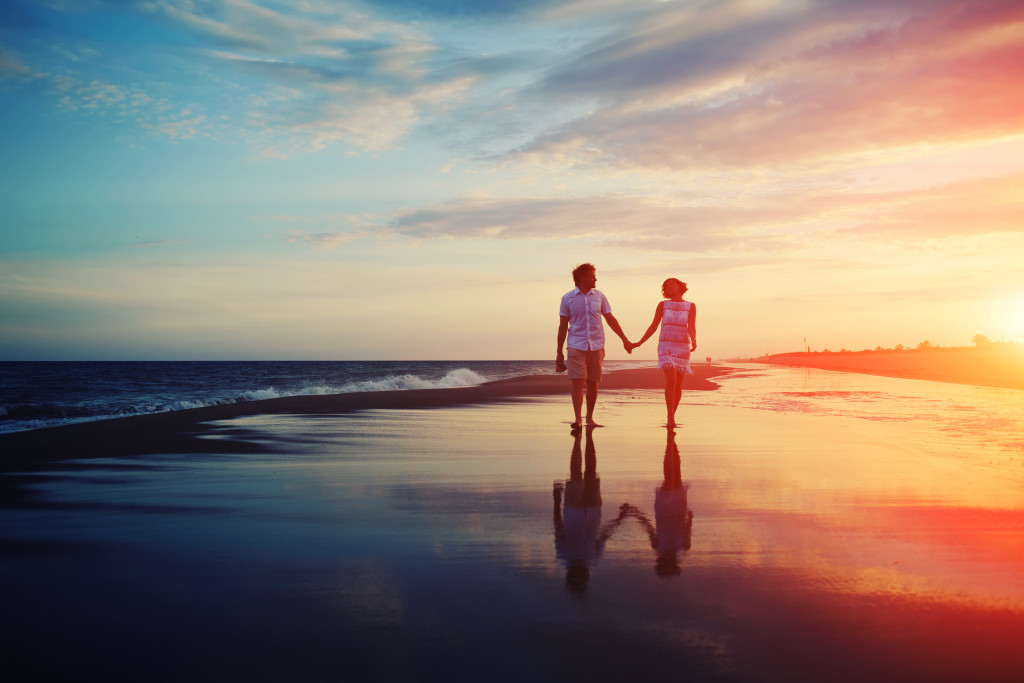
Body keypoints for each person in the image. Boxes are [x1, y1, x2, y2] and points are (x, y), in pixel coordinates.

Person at [555, 263, 632, 430]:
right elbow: (562, 326)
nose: (595, 278)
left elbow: (611, 319)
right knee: (577, 382)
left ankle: (589, 417)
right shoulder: (567, 298)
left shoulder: (600, 296)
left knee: (593, 382)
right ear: (582, 278)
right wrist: (559, 353)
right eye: (592, 276)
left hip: (596, 345)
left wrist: (624, 340)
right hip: (576, 344)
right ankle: (578, 419)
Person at [627, 278, 697, 429]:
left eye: (672, 284)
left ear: (680, 286)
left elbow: (691, 326)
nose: (669, 286)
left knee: (678, 383)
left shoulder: (690, 306)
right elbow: (653, 326)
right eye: (666, 285)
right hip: (665, 345)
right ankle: (670, 417)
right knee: (671, 379)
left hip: (682, 346)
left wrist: (695, 339)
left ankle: (671, 414)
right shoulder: (662, 305)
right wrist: (639, 342)